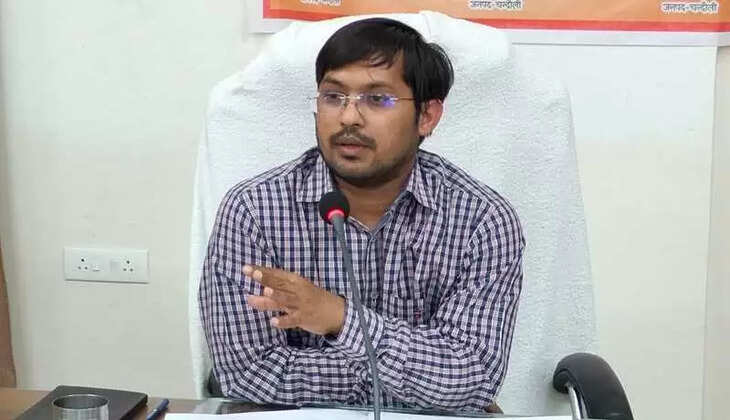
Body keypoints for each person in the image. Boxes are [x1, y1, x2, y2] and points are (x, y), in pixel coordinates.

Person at [199, 17, 524, 412]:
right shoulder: (253, 210)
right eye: (333, 96)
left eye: (378, 99)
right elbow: (247, 372)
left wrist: (339, 318)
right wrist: (417, 375)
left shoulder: (482, 221)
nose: (349, 117)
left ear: (427, 116)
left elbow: (473, 377)